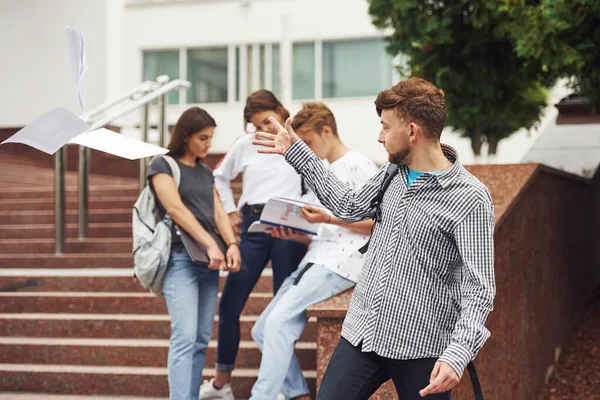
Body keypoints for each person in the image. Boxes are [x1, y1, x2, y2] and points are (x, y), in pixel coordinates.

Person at [253, 78, 496, 400]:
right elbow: (349, 207)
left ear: (412, 131)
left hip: (423, 347)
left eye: (385, 127)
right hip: (363, 334)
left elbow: (479, 288)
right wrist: (297, 153)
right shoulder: (392, 172)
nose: (379, 137)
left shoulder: (470, 198)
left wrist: (458, 353)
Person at [249, 102, 379, 400]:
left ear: (327, 130)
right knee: (262, 330)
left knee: (278, 323)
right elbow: (324, 228)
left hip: (341, 262)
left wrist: (327, 218)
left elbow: (378, 221)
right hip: (317, 257)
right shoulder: (321, 169)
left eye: (307, 142)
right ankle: (297, 394)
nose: (305, 149)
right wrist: (294, 232)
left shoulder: (358, 164)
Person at [200, 90, 308, 400]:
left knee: (281, 311)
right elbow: (218, 176)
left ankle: (282, 388)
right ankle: (222, 383)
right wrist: (231, 210)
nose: (261, 131)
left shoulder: (300, 140)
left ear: (279, 109)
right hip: (254, 226)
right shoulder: (245, 143)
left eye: (264, 122)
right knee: (230, 303)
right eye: (255, 126)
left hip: (290, 225)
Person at [148, 107, 242, 400]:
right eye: (203, 137)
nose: (208, 144)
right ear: (186, 136)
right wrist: (210, 243)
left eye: (211, 138)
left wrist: (232, 243)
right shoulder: (163, 165)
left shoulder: (204, 172)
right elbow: (175, 209)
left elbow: (217, 212)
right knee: (185, 337)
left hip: (207, 263)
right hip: (180, 260)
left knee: (201, 339)